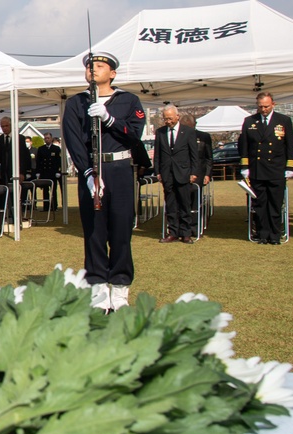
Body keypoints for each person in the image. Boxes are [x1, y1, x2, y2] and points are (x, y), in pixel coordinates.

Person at [62, 52, 145, 311]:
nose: (93, 69)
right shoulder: (76, 103)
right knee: (94, 232)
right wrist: (87, 173)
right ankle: (98, 289)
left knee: (121, 230)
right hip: (92, 169)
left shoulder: (129, 100)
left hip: (119, 168)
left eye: (99, 66)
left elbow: (135, 134)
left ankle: (120, 290)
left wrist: (109, 119)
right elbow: (73, 140)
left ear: (112, 73)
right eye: (89, 66)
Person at [239, 92, 293, 245]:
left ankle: (275, 235)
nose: (263, 109)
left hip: (276, 169)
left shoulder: (283, 120)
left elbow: (290, 145)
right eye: (260, 106)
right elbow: (244, 145)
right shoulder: (250, 121)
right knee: (260, 205)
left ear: (273, 104)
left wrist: (290, 166)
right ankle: (263, 234)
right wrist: (245, 166)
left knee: (275, 205)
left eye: (266, 106)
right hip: (257, 170)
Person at [153, 105, 198, 243]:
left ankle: (186, 233)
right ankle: (172, 232)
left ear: (177, 117)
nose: (168, 121)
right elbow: (158, 154)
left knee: (184, 204)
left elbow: (193, 154)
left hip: (183, 173)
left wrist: (193, 172)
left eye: (170, 118)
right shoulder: (160, 132)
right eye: (165, 119)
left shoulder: (188, 132)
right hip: (167, 174)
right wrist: (158, 171)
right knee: (171, 205)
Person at [180, 113, 212, 238]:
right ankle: (182, 228)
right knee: (182, 201)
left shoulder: (204, 137)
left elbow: (209, 157)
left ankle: (194, 227)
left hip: (199, 173)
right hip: (182, 173)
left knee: (195, 202)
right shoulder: (180, 136)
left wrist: (208, 174)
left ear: (194, 125)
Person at [35, 132, 63, 211]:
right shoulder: (41, 149)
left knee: (53, 190)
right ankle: (46, 207)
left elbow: (58, 160)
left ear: (51, 139)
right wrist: (38, 172)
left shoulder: (56, 149)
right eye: (45, 138)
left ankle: (54, 206)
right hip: (44, 172)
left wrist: (58, 171)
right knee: (45, 191)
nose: (47, 139)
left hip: (53, 172)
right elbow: (39, 161)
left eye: (48, 138)